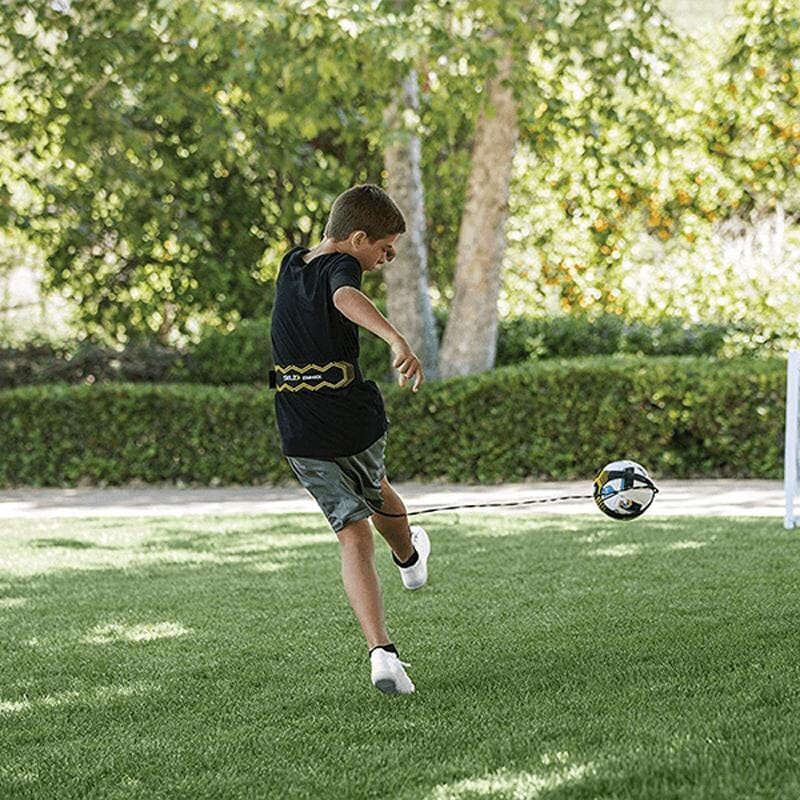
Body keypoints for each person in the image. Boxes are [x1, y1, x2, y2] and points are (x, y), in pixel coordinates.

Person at [269, 184, 431, 695]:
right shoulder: (344, 268)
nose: (387, 258)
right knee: (375, 488)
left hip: (298, 427)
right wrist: (395, 337)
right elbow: (344, 295)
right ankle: (408, 557)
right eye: (383, 248)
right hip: (348, 417)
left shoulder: (291, 262)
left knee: (352, 533)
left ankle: (382, 654)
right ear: (356, 238)